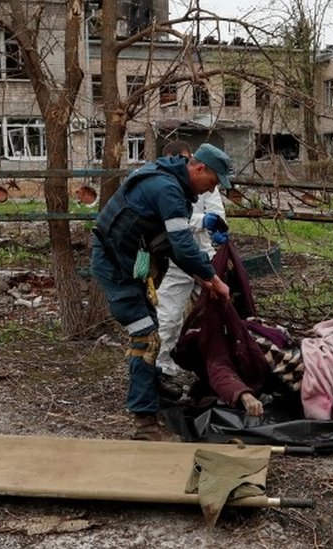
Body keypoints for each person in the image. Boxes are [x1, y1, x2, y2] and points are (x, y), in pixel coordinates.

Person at [91, 143, 232, 440]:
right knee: (146, 337)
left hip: (131, 263)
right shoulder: (166, 188)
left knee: (152, 326)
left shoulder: (176, 186)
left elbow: (177, 248)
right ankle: (144, 423)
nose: (211, 190)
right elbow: (182, 244)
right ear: (198, 168)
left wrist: (207, 279)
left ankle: (153, 385)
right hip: (115, 265)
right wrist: (212, 278)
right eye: (213, 182)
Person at [155, 140, 229, 394]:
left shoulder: (208, 181)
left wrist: (218, 227)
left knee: (216, 313)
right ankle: (160, 369)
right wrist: (202, 221)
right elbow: (174, 223)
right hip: (177, 259)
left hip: (204, 255)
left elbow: (216, 210)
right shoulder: (166, 184)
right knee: (169, 315)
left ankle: (215, 368)